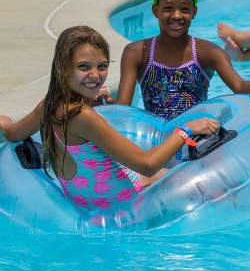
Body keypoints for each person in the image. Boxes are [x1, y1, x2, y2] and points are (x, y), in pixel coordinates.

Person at [0, 26, 219, 211]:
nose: (95, 75)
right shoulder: (82, 116)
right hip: (126, 200)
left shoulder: (48, 106)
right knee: (215, 189)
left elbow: (11, 133)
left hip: (90, 197)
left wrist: (4, 120)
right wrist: (186, 130)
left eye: (102, 66)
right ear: (62, 67)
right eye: (84, 67)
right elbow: (147, 164)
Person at [108, 0, 250, 120]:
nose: (177, 15)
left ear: (194, 11)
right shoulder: (138, 52)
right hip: (157, 139)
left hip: (199, 137)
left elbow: (238, 86)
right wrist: (104, 101)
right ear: (155, 10)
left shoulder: (208, 52)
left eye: (185, 9)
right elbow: (123, 106)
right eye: (168, 8)